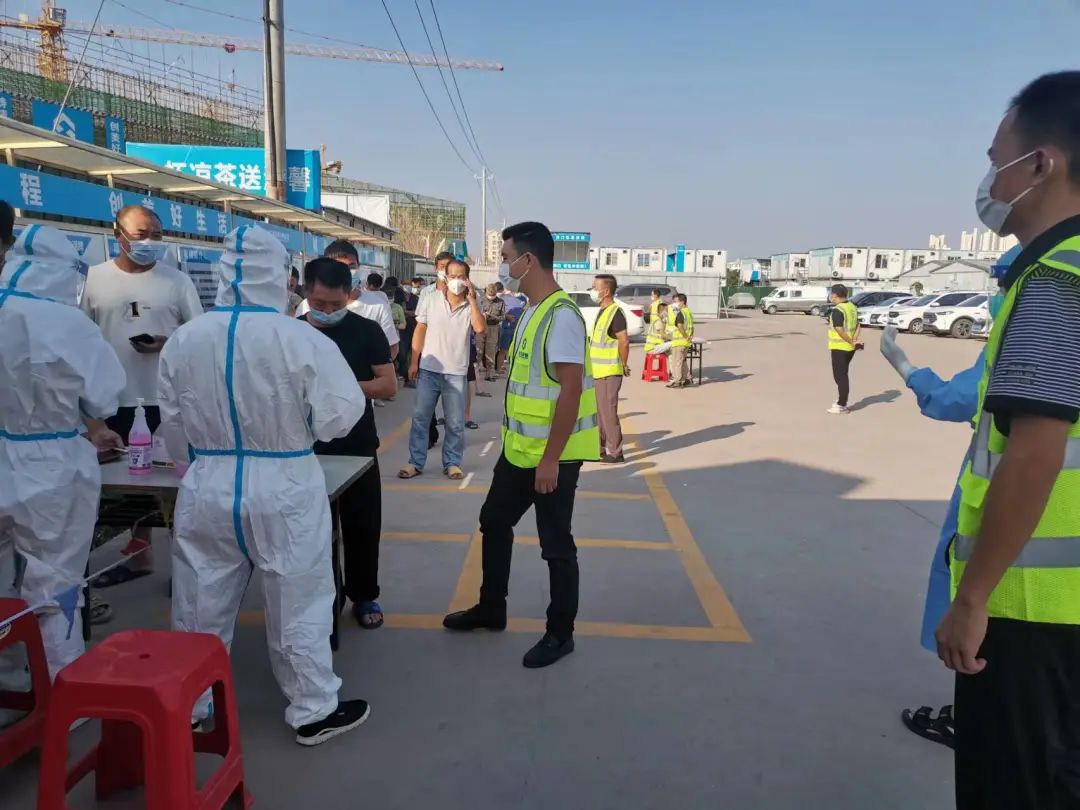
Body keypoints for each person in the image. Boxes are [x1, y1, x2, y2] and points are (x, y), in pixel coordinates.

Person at [158, 225, 370, 745]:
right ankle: (313, 708)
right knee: (298, 597)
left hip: (208, 481)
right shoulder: (300, 338)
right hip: (285, 482)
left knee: (199, 599)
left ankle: (189, 704)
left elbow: (171, 424)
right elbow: (340, 416)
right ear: (280, 276)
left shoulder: (186, 339)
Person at [934, 72, 1080, 810]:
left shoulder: (1056, 279)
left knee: (1016, 787)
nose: (990, 180)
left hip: (1035, 611)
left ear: (1041, 165)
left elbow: (1034, 452)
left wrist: (973, 597)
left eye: (998, 161)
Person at [443, 221, 600, 669]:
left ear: (528, 260)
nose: (503, 266)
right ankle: (492, 607)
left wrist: (550, 460)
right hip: (518, 452)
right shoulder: (533, 310)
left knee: (556, 545)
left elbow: (570, 391)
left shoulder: (561, 316)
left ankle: (560, 634)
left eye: (507, 257)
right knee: (494, 521)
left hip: (553, 458)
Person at [882, 247, 1021, 750]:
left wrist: (902, 364)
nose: (996, 297)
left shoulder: (1021, 340)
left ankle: (974, 723)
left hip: (1007, 514)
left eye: (1001, 285)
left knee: (987, 631)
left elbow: (953, 399)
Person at [0, 221, 127, 679]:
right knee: (55, 589)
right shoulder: (66, 322)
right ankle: (61, 691)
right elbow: (103, 398)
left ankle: (11, 684)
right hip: (51, 464)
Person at [80, 204, 203, 586]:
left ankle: (186, 568)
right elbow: (80, 338)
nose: (150, 242)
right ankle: (139, 554)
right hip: (111, 401)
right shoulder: (94, 279)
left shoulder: (177, 282)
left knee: (177, 486)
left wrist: (169, 342)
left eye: (157, 235)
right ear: (117, 234)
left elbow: (200, 335)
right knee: (126, 487)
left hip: (165, 400)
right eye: (140, 234)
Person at [300, 257, 396, 630]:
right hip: (306, 448)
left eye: (335, 305)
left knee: (362, 525)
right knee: (314, 531)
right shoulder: (291, 333)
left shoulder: (366, 331)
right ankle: (324, 598)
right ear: (305, 293)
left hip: (357, 444)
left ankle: (364, 593)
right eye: (319, 304)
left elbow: (387, 385)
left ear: (350, 295)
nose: (327, 312)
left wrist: (341, 389)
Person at [400, 258, 485, 481]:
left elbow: (479, 328)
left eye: (461, 277)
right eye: (452, 276)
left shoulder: (472, 304)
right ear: (445, 278)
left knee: (455, 422)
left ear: (467, 280)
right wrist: (414, 361)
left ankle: (452, 463)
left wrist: (472, 301)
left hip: (456, 373)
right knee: (421, 418)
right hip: (429, 370)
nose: (456, 281)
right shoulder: (431, 299)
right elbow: (420, 329)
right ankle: (415, 462)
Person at [297, 242, 399, 362]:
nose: (347, 272)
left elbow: (391, 347)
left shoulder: (378, 306)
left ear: (359, 266)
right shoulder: (307, 306)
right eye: (340, 267)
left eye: (351, 267)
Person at [590, 274, 630, 463]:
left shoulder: (615, 313)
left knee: (608, 413)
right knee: (600, 413)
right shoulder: (602, 311)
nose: (593, 291)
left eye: (595, 287)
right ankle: (599, 448)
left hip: (609, 371)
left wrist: (623, 363)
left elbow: (624, 341)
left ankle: (615, 452)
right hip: (598, 371)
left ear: (606, 291)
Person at [826, 284, 859, 414]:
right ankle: (842, 400)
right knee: (843, 375)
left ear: (835, 295)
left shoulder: (838, 310)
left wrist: (850, 340)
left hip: (840, 347)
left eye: (831, 294)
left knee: (840, 377)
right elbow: (858, 325)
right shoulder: (852, 307)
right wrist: (854, 340)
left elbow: (839, 329)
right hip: (850, 348)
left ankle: (841, 404)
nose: (830, 297)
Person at [478, 284, 506, 381]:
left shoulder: (500, 302)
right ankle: (476, 371)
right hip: (481, 327)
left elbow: (503, 316)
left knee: (491, 351)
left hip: (493, 328)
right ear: (486, 292)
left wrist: (493, 317)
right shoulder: (481, 300)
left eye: (493, 294)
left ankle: (489, 374)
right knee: (478, 350)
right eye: (489, 294)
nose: (491, 296)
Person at [667, 293, 695, 388]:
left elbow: (680, 326)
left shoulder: (681, 312)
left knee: (676, 362)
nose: (674, 304)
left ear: (682, 302)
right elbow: (692, 327)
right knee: (682, 361)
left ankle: (677, 381)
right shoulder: (688, 312)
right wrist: (689, 337)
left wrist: (685, 336)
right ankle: (685, 379)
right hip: (686, 342)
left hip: (679, 341)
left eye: (676, 302)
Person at [496, 280, 524, 375]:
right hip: (507, 327)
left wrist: (514, 294)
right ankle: (498, 369)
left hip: (518, 328)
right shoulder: (502, 296)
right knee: (503, 349)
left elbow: (525, 303)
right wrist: (507, 317)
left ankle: (513, 369)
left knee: (515, 350)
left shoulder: (521, 298)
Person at [400, 279, 421, 387]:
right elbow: (398, 311)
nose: (407, 286)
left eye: (409, 284)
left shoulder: (415, 298)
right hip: (402, 330)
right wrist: (411, 313)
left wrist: (406, 312)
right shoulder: (399, 297)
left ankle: (411, 378)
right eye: (405, 284)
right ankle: (404, 376)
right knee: (403, 354)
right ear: (401, 285)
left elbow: (418, 312)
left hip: (413, 328)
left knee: (413, 353)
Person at [644, 289, 667, 354]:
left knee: (658, 336)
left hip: (658, 324)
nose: (651, 296)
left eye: (652, 294)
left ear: (656, 295)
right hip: (654, 325)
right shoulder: (654, 303)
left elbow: (662, 315)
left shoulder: (659, 304)